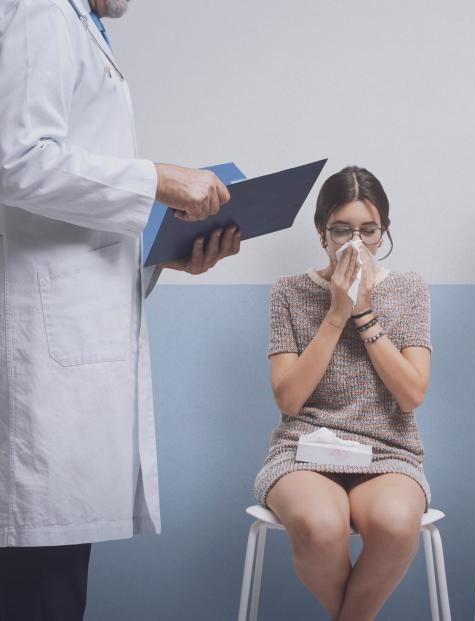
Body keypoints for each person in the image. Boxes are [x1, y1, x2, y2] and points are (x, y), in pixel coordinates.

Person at [0, 0, 240, 618]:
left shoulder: (79, 24)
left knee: (57, 575)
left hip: (71, 349)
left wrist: (161, 255)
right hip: (40, 366)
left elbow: (75, 220)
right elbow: (17, 160)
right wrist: (155, 180)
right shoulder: (38, 10)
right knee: (39, 583)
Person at [254, 166, 432, 621]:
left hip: (387, 453)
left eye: (368, 231)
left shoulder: (408, 288)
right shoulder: (289, 293)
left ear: (383, 232)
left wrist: (364, 310)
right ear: (321, 233)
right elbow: (288, 399)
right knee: (318, 526)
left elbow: (412, 394)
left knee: (396, 525)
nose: (355, 243)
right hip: (303, 451)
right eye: (341, 230)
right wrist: (336, 313)